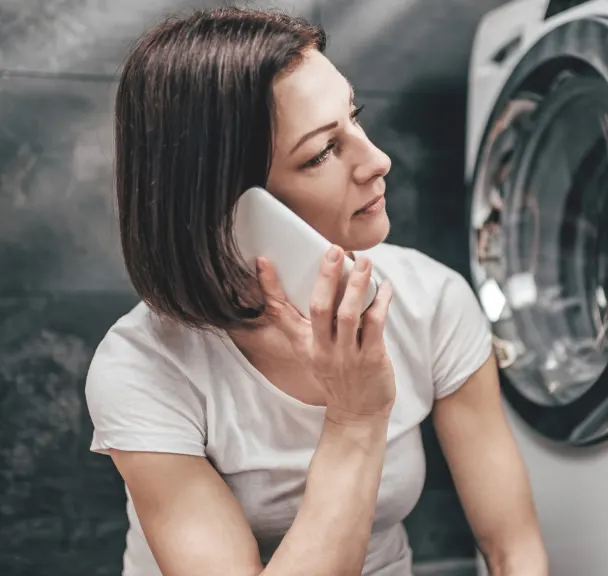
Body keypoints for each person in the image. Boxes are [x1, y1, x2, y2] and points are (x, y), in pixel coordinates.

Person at [84, 7, 548, 576]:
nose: (378, 161)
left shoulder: (433, 301)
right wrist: (355, 415)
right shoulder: (142, 368)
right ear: (227, 208)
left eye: (355, 118)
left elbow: (513, 550)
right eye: (322, 153)